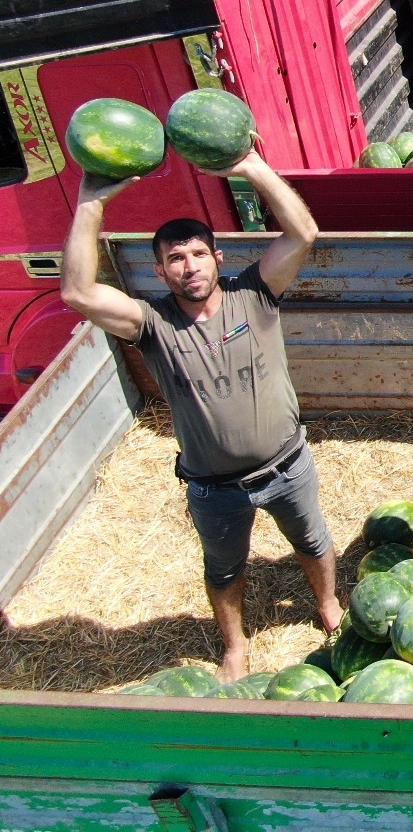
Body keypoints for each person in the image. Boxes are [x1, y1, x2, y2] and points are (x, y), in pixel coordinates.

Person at [59, 153, 341, 682]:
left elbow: (303, 233)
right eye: (175, 258)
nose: (189, 266)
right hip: (215, 488)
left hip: (288, 466)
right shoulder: (152, 323)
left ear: (217, 257)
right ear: (160, 270)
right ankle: (235, 644)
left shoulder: (254, 294)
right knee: (224, 569)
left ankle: (327, 605)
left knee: (313, 542)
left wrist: (252, 167)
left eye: (197, 254)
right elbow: (77, 292)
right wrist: (91, 203)